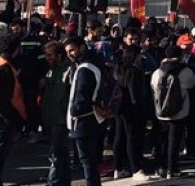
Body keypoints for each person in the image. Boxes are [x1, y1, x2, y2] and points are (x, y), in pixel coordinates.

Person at [151, 45, 195, 178]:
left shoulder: (157, 72)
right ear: (180, 56)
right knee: (174, 141)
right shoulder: (185, 71)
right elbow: (193, 82)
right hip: (179, 111)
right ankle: (172, 169)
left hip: (160, 112)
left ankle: (161, 167)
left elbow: (153, 87)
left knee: (163, 141)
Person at [65, 36, 105, 186]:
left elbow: (82, 95)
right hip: (91, 118)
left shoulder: (85, 69)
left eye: (72, 50)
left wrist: (74, 111)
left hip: (83, 120)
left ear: (82, 47)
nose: (69, 54)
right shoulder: (92, 64)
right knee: (90, 159)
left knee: (86, 159)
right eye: (67, 51)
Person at [112, 45, 146, 181]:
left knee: (119, 136)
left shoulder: (119, 69)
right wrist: (138, 108)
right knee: (132, 138)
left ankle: (118, 167)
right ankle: (135, 169)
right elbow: (134, 93)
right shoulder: (133, 71)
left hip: (118, 107)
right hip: (130, 108)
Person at [0, 33, 25, 186]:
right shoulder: (4, 67)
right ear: (16, 48)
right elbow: (1, 96)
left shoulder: (0, 63)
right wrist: (8, 117)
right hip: (3, 117)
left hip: (2, 115)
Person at [41, 41, 71, 186]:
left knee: (56, 154)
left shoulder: (67, 70)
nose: (48, 58)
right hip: (52, 117)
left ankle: (53, 182)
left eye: (50, 55)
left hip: (60, 118)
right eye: (46, 55)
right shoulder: (52, 70)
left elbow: (63, 96)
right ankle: (63, 180)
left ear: (59, 55)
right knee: (61, 153)